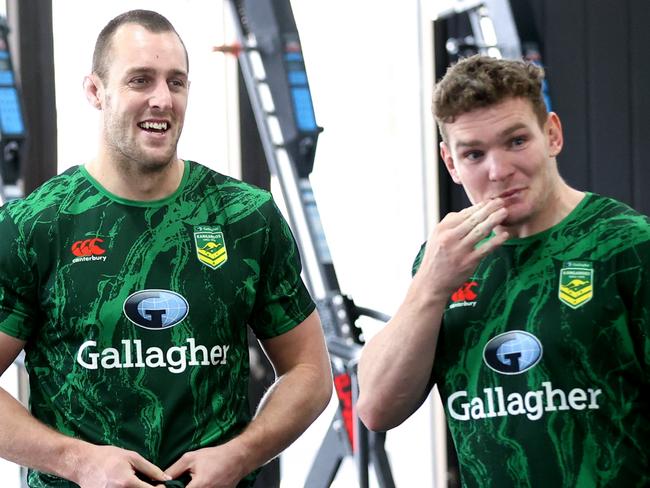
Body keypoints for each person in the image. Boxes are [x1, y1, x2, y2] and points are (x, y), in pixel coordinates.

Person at [0, 9, 332, 488]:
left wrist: (240, 454)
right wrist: (79, 463)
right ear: (95, 91)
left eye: (177, 83)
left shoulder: (244, 216)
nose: (162, 99)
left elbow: (309, 370)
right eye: (140, 80)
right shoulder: (36, 225)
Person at [357, 54, 650, 486]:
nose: (499, 171)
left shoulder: (625, 242)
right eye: (474, 154)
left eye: (516, 141)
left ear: (552, 134)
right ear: (451, 163)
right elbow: (377, 409)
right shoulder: (440, 260)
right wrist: (431, 287)